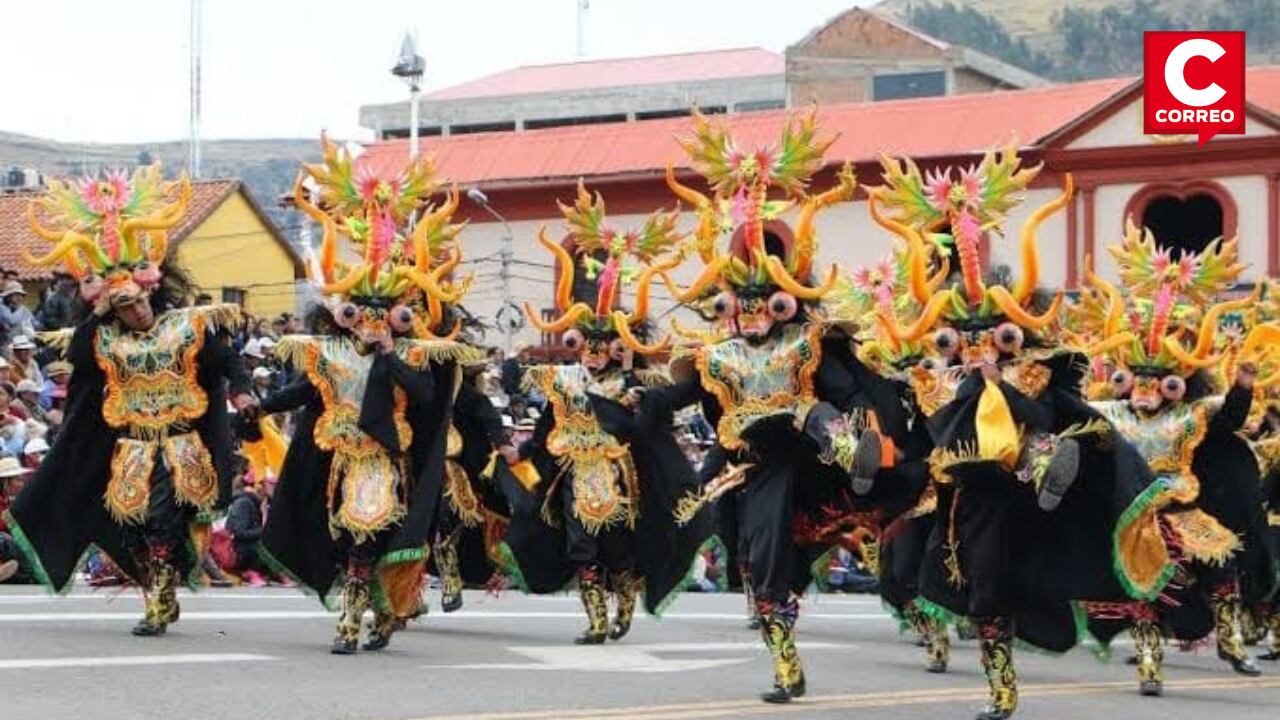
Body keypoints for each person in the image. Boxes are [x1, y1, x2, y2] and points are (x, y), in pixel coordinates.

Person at [4, 164, 256, 636]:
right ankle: (160, 586)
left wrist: (243, 395)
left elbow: (226, 362)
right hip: (132, 449)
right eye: (124, 307)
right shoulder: (104, 340)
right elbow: (77, 357)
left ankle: (160, 601)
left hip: (181, 447)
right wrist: (98, 309)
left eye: (138, 301)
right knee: (134, 525)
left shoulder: (186, 326)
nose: (136, 311)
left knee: (161, 518)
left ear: (151, 291)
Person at [260, 136, 474, 654]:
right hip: (335, 456)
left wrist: (389, 357)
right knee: (342, 540)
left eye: (386, 312)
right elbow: (306, 392)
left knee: (367, 537)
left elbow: (426, 397)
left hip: (384, 457)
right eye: (363, 308)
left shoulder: (411, 355)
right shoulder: (329, 352)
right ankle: (378, 607)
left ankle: (352, 621)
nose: (372, 320)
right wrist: (259, 406)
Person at [1071, 226, 1277, 695]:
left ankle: (1232, 643)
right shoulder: (1111, 412)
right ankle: (1148, 665)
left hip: (1184, 510)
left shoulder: (1194, 412)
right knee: (1142, 591)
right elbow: (1074, 416)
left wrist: (1244, 384)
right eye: (1137, 379)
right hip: (1133, 513)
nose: (1146, 391)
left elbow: (1230, 418)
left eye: (1161, 381)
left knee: (1222, 571)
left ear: (1181, 383)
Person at [503, 182, 709, 647]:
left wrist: (637, 386)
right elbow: (541, 415)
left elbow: (653, 421)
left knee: (618, 550)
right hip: (574, 477)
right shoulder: (564, 379)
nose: (594, 356)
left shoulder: (636, 384)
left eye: (603, 348)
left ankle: (625, 599)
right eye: (587, 347)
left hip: (621, 481)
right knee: (581, 548)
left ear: (616, 348)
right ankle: (596, 620)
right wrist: (524, 448)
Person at [0, 281, 35, 348]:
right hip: (4, 343)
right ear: (8, 296)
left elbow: (31, 321)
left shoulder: (22, 309)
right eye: (16, 294)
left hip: (20, 342)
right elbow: (11, 320)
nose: (19, 297)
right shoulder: (2, 306)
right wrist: (20, 308)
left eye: (20, 295)